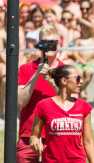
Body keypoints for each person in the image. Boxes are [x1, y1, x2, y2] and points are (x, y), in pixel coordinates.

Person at [16, 25, 65, 162]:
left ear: (59, 45)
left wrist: (51, 81)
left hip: (57, 136)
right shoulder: (25, 69)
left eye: (52, 43)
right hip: (28, 135)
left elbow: (72, 103)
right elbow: (20, 102)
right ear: (39, 45)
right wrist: (36, 74)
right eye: (45, 43)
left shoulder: (66, 70)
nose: (48, 47)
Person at [30, 65, 94, 163]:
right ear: (64, 81)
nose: (81, 81)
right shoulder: (43, 105)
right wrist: (34, 141)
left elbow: (88, 141)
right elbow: (34, 136)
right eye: (78, 78)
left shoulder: (84, 106)